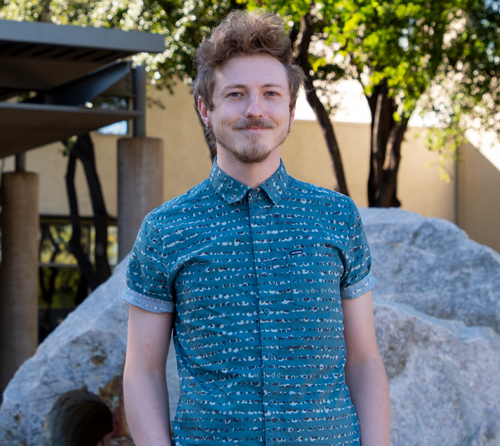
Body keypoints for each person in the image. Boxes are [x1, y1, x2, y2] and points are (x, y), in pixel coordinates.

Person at [122, 10, 390, 446]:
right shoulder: (165, 230)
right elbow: (142, 372)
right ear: (205, 108)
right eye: (235, 94)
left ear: (289, 106)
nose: (254, 109)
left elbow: (363, 360)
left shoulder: (337, 216)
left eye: (270, 93)